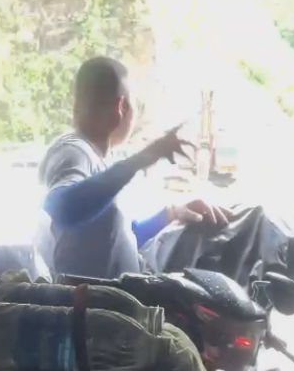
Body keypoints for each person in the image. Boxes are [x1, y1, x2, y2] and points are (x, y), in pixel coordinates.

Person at [39, 57, 231, 279]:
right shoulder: (72, 150)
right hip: (92, 306)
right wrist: (142, 159)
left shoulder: (99, 161)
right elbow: (63, 208)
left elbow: (125, 238)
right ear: (121, 108)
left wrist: (171, 213)